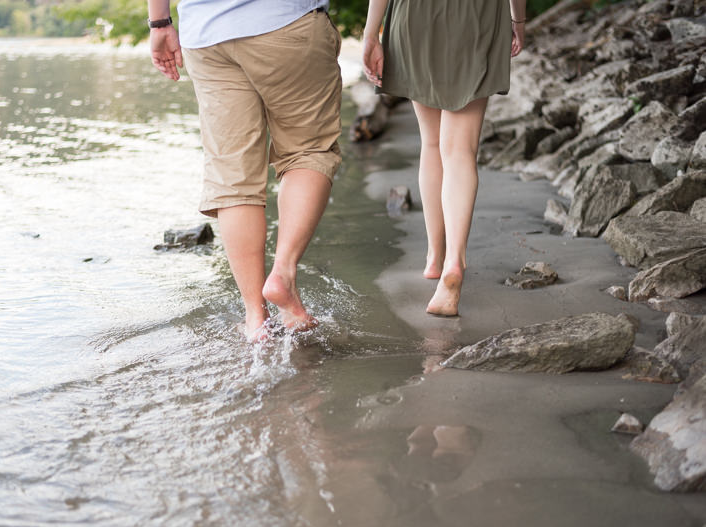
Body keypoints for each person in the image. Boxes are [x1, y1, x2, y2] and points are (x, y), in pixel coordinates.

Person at [147, 0, 343, 341]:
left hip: (207, 34)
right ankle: (282, 275)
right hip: (286, 19)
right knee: (307, 150)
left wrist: (159, 23)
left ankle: (255, 317)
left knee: (233, 176)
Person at [363, 0, 526, 316]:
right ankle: (453, 261)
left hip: (415, 16)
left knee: (432, 143)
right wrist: (517, 21)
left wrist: (372, 33)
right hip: (477, 16)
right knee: (459, 150)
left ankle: (435, 258)